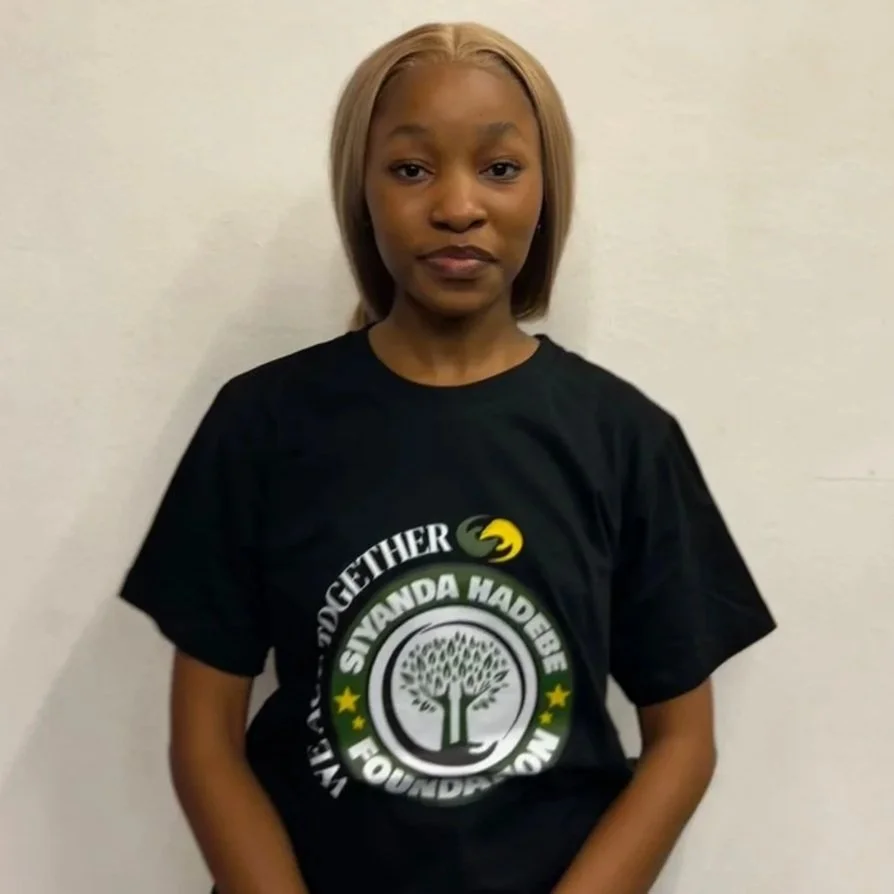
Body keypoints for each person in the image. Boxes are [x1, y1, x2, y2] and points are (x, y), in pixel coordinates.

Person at [119, 21, 776, 894]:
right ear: (362, 190)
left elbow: (683, 743)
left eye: (500, 168)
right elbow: (204, 740)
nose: (458, 205)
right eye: (411, 168)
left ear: (546, 191)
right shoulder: (263, 424)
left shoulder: (624, 438)